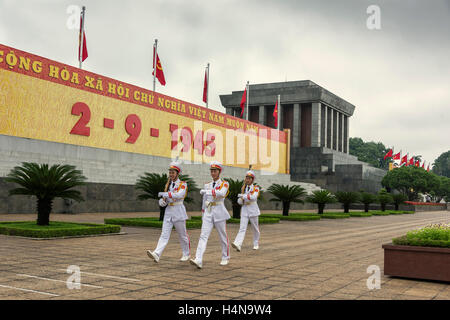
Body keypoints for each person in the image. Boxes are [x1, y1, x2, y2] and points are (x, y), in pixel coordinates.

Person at [147, 161, 191, 263]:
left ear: (177, 173)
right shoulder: (168, 185)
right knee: (164, 234)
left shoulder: (182, 184)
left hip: (178, 211)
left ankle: (186, 253)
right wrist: (162, 201)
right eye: (170, 172)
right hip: (169, 211)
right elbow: (165, 199)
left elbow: (180, 195)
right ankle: (157, 254)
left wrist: (167, 195)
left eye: (173, 172)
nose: (171, 174)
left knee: (182, 234)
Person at [190, 161, 230, 269]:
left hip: (219, 211)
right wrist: (204, 212)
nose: (213, 173)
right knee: (203, 235)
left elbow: (221, 193)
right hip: (209, 210)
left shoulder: (224, 184)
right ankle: (198, 259)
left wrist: (207, 192)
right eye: (211, 171)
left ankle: (225, 257)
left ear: (219, 172)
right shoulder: (207, 185)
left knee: (222, 235)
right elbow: (205, 201)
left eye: (215, 171)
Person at [231, 170, 261, 252]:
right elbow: (241, 200)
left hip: (253, 210)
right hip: (244, 210)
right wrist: (240, 200)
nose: (247, 180)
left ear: (252, 180)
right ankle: (238, 244)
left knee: (255, 228)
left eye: (249, 178)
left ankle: (256, 243)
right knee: (242, 228)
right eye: (246, 178)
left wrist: (243, 196)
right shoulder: (243, 188)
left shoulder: (256, 188)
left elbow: (253, 197)